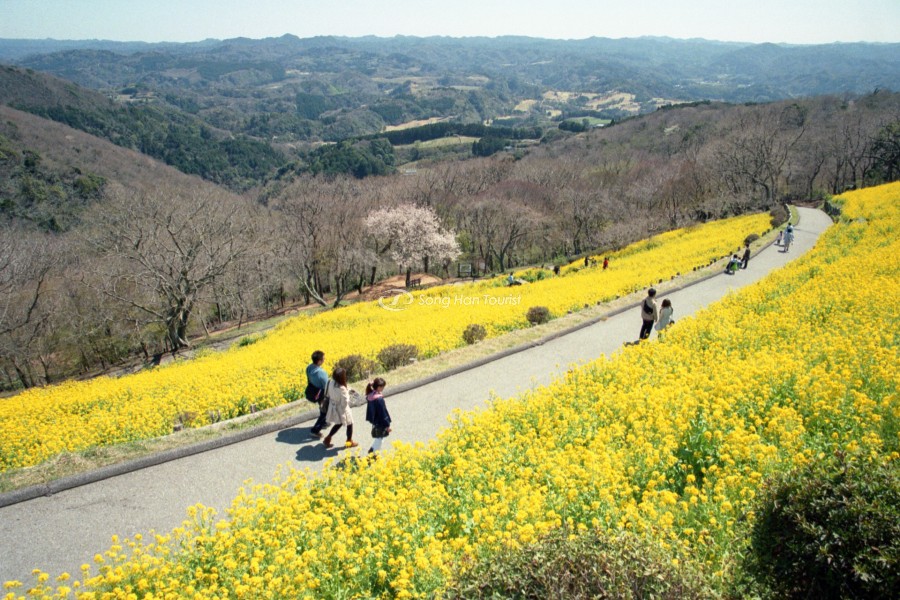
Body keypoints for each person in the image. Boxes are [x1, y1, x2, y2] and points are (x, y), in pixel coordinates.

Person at [323, 367, 357, 449]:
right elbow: (344, 403)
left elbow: (327, 393)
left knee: (338, 423)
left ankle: (328, 438)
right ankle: (349, 441)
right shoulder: (342, 389)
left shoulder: (330, 382)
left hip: (332, 406)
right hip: (341, 409)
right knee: (349, 423)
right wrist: (349, 394)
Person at [365, 377, 392, 455]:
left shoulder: (370, 395)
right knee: (380, 438)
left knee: (379, 437)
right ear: (379, 387)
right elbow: (383, 413)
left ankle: (372, 450)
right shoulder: (379, 399)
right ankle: (373, 454)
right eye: (383, 387)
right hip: (381, 422)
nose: (383, 388)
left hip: (375, 421)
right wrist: (387, 425)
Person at [307, 350, 329, 438]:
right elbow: (327, 386)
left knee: (321, 407)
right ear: (319, 361)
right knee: (325, 412)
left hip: (315, 391)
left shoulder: (309, 368)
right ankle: (315, 430)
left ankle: (324, 423)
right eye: (323, 359)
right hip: (322, 394)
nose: (324, 360)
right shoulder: (321, 373)